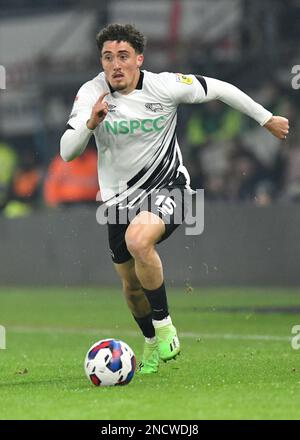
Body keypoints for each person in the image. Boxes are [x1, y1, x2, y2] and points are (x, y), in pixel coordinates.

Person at [60, 23, 289, 374]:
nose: (115, 65)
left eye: (123, 56)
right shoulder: (92, 93)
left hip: (170, 188)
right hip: (117, 203)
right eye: (108, 58)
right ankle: (151, 343)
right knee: (130, 287)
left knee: (139, 240)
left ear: (139, 59)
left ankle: (166, 327)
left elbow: (220, 88)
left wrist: (266, 118)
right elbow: (66, 152)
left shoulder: (164, 86)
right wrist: (91, 123)